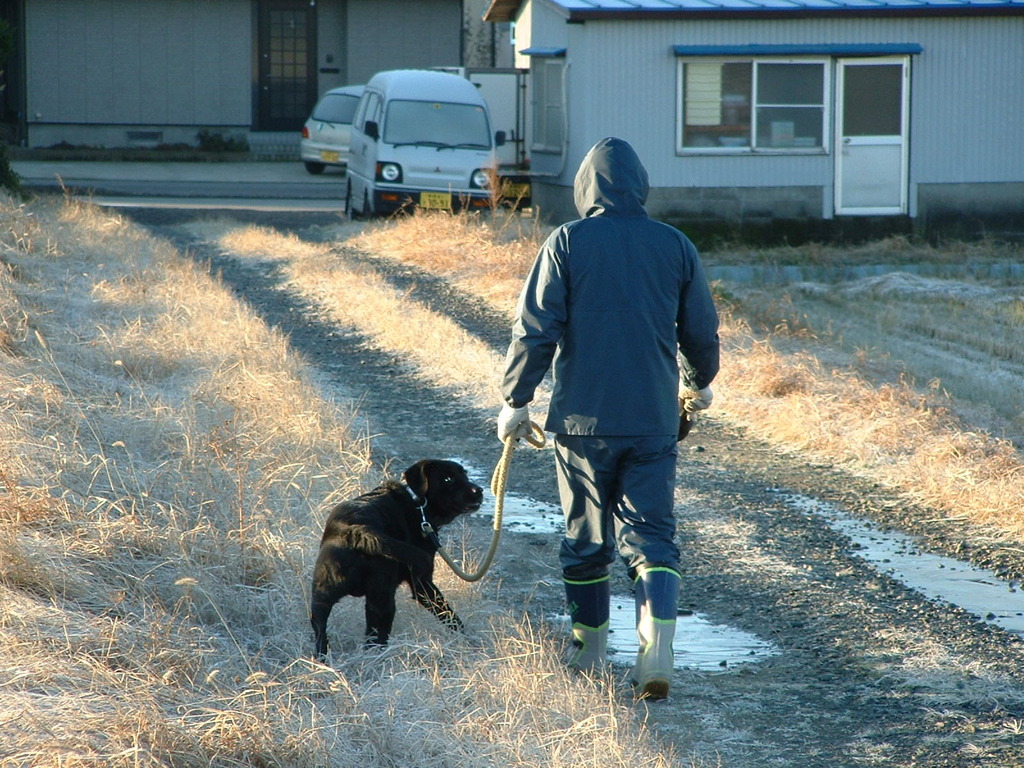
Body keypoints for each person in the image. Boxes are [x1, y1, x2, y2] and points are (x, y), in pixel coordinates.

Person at [496, 137, 720, 700]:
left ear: (584, 188)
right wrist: (698, 383)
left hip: (582, 424)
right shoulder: (676, 245)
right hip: (652, 419)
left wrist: (515, 400)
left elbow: (535, 329)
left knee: (586, 539)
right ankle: (656, 651)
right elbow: (701, 332)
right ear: (640, 185)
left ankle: (590, 652)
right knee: (652, 538)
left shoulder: (566, 242)